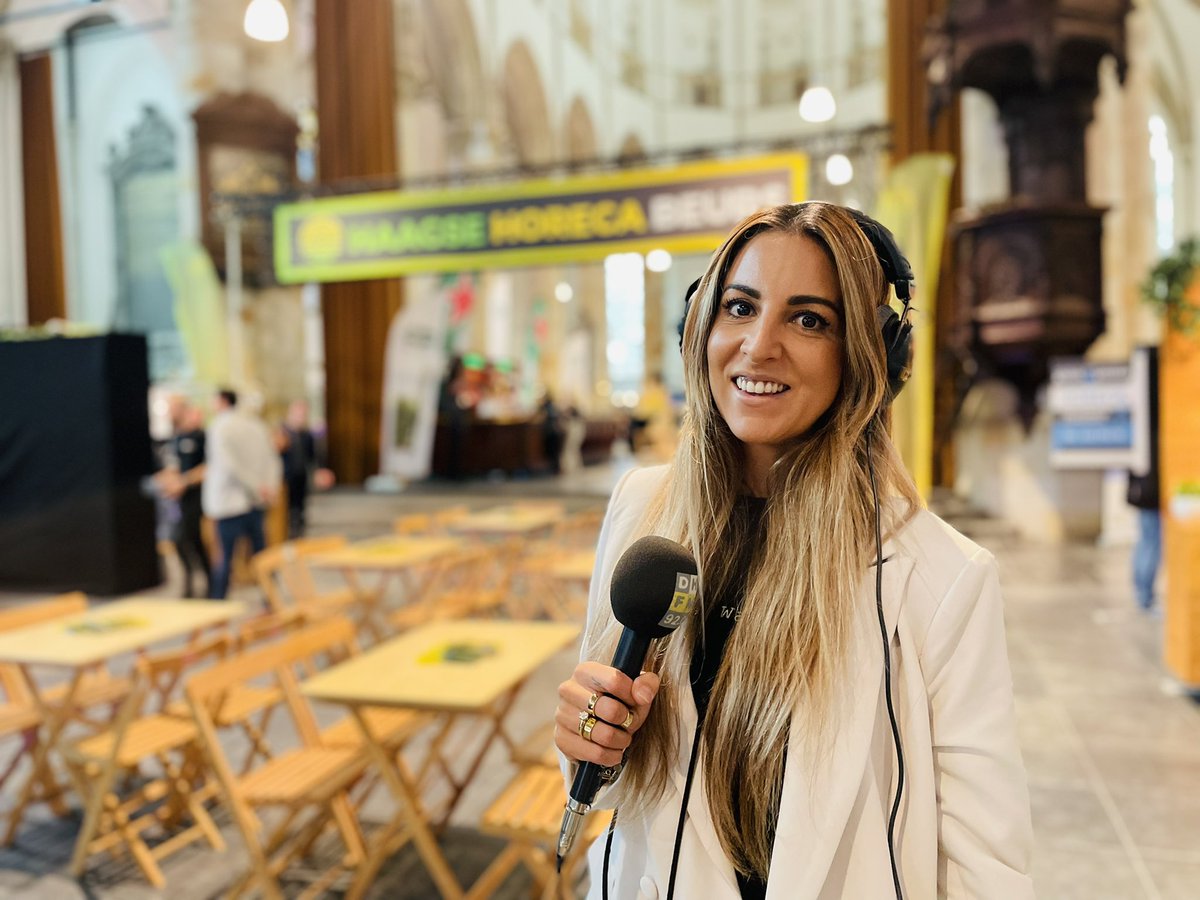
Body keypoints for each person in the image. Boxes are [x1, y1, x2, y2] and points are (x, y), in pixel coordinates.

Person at [554, 203, 1033, 899]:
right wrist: (588, 742)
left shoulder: (944, 578)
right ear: (701, 326)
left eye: (809, 320)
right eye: (740, 307)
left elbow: (985, 869)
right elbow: (617, 792)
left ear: (870, 355)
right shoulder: (641, 506)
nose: (758, 346)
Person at [202, 389, 281, 599]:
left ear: (222, 401)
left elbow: (230, 466)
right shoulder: (256, 425)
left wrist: (256, 486)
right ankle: (272, 600)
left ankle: (218, 606)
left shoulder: (221, 426)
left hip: (230, 504)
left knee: (224, 559)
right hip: (256, 501)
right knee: (261, 556)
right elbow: (272, 460)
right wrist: (267, 487)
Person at [159, 397, 210, 598]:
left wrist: (184, 482)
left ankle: (210, 582)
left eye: (172, 408)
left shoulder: (201, 437)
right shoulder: (175, 439)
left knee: (194, 539)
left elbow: (208, 468)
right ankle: (188, 582)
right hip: (177, 500)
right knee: (177, 540)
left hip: (196, 498)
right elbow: (171, 466)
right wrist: (169, 482)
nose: (169, 413)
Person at [1128, 345, 1161, 611]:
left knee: (1146, 538)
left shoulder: (1140, 418)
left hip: (1144, 487)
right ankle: (1145, 597)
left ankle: (1143, 594)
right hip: (1152, 488)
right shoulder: (1155, 425)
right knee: (1151, 540)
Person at [277, 399, 334, 538]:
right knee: (286, 508)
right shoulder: (282, 433)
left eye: (303, 414)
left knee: (300, 506)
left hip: (301, 474)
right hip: (285, 476)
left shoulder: (307, 435)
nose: (301, 417)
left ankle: (299, 531)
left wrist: (319, 472)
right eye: (298, 414)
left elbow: (313, 456)